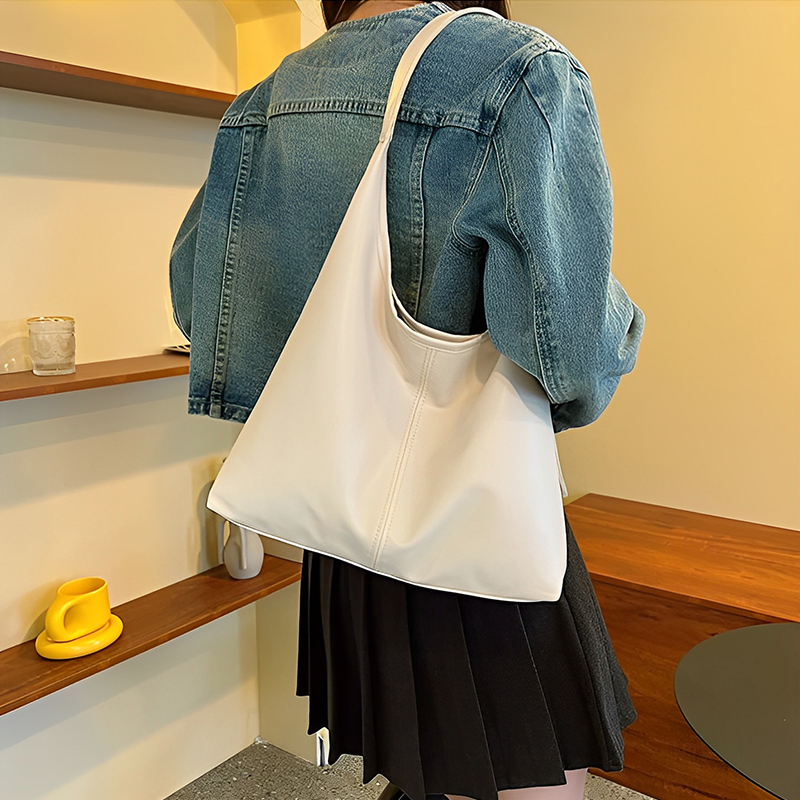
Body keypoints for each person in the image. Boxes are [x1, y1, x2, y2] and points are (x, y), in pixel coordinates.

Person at [169, 2, 645, 799]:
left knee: (419, 765)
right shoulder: (518, 72)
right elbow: (571, 356)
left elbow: (198, 303)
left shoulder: (263, 103)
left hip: (339, 535)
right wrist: (621, 327)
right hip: (475, 535)